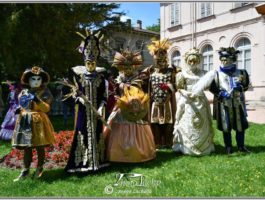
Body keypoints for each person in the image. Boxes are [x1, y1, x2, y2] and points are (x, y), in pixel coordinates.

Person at [65, 30, 109, 172]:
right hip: (83, 112)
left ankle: (98, 162)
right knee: (82, 132)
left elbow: (104, 94)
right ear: (84, 60)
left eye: (93, 62)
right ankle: (82, 163)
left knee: (97, 133)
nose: (91, 65)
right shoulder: (77, 74)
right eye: (88, 62)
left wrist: (102, 106)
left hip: (96, 113)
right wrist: (79, 99)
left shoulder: (102, 75)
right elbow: (71, 91)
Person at [105, 48, 156, 163]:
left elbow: (141, 94)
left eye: (130, 67)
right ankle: (117, 154)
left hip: (134, 109)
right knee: (116, 124)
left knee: (136, 124)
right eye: (125, 67)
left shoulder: (138, 80)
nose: (128, 70)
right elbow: (114, 93)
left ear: (133, 67)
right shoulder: (117, 80)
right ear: (122, 68)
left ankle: (137, 151)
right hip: (120, 108)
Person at [12, 66, 55, 181]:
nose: (36, 82)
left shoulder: (46, 92)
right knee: (27, 147)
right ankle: (25, 170)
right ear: (28, 81)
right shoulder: (23, 92)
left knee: (39, 146)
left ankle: (39, 168)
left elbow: (46, 108)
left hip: (38, 121)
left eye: (38, 79)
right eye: (33, 79)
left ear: (42, 80)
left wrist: (37, 100)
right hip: (25, 121)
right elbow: (22, 105)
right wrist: (19, 110)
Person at [172, 48, 215, 156]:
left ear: (198, 61)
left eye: (194, 61)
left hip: (200, 100)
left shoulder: (204, 73)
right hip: (187, 100)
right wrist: (187, 94)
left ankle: (204, 145)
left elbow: (208, 87)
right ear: (186, 61)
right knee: (182, 118)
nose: (192, 63)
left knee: (203, 121)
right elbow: (179, 88)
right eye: (190, 61)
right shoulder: (182, 74)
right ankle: (185, 146)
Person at [146, 38, 176, 148]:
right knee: (155, 123)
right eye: (159, 61)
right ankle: (157, 142)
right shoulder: (151, 73)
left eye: (164, 61)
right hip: (155, 102)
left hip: (167, 102)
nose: (162, 63)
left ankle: (167, 142)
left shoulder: (170, 72)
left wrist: (169, 87)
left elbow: (176, 87)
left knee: (168, 123)